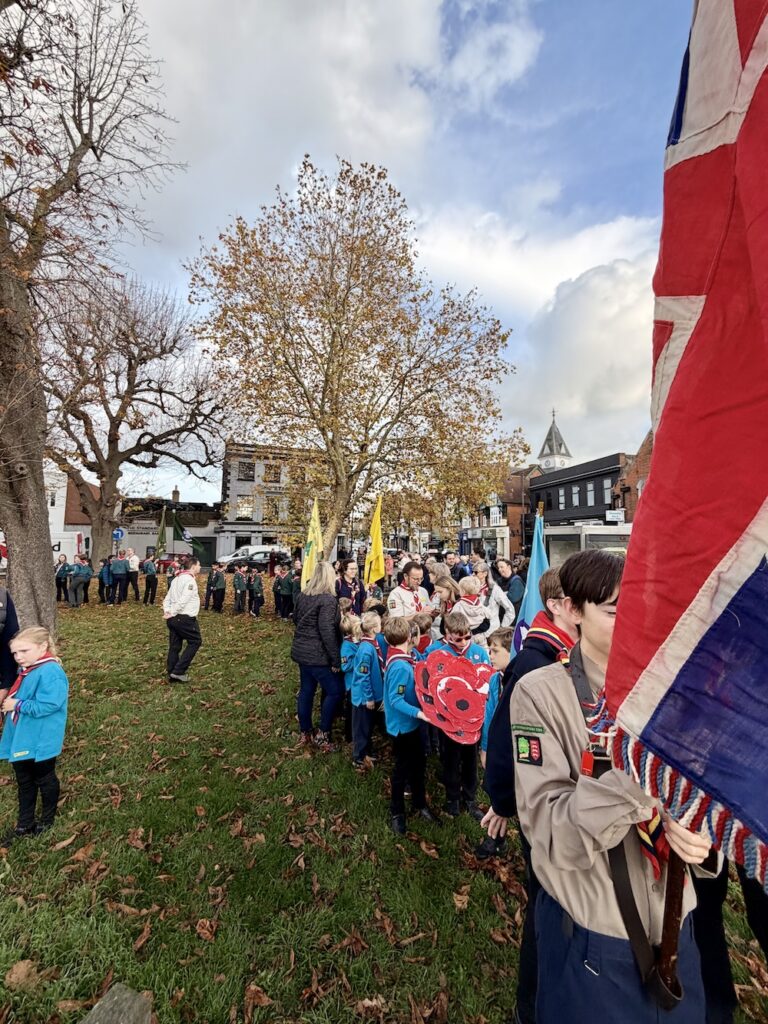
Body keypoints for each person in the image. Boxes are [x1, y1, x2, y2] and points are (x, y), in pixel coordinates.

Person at [509, 549, 714, 1024]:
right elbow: (551, 834)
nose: (634, 621)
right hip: (594, 936)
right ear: (574, 610)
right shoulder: (542, 694)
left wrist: (703, 837)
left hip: (677, 926)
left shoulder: (673, 693)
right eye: (614, 610)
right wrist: (640, 776)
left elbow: (702, 797)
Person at [481, 566, 579, 1021]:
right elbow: (505, 736)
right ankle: (532, 1004)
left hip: (576, 803)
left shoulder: (569, 655)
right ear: (559, 606)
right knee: (548, 906)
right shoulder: (535, 661)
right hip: (544, 806)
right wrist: (502, 801)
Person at [0, 626, 68, 844]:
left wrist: (17, 704)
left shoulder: (50, 671)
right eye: (15, 653)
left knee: (44, 777)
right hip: (23, 735)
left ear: (42, 647)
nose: (18, 657)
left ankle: (47, 820)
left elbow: (50, 704)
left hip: (41, 738)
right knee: (24, 779)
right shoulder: (28, 669)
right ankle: (25, 823)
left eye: (24, 651)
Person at [425, 610, 490, 819]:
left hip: (473, 719)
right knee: (450, 758)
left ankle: (470, 799)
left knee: (470, 759)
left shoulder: (479, 652)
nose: (463, 643)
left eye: (467, 637)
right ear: (447, 633)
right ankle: (452, 798)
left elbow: (487, 681)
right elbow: (429, 686)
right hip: (449, 721)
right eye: (457, 638)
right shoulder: (438, 653)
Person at [382, 616, 440, 835]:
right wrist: (420, 713)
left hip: (414, 725)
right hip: (403, 727)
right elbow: (396, 700)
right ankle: (397, 811)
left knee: (419, 765)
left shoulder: (408, 656)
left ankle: (420, 803)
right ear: (409, 637)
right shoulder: (399, 667)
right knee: (402, 770)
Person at [291, 561, 343, 752]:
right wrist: (335, 659)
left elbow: (295, 619)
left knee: (307, 691)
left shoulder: (304, 595)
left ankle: (305, 731)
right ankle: (323, 734)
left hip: (302, 651)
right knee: (335, 690)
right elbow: (327, 630)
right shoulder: (328, 600)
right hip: (318, 655)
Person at [476, 627, 514, 859]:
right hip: (496, 750)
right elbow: (489, 715)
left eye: (495, 651)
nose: (490, 655)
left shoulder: (520, 682)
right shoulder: (494, 679)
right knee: (496, 792)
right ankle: (495, 839)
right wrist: (485, 747)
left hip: (516, 751)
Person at [351, 611, 386, 769]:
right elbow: (363, 675)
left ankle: (367, 751)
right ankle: (359, 756)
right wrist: (369, 697)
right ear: (373, 628)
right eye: (379, 624)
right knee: (362, 727)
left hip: (374, 693)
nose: (381, 626)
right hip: (364, 698)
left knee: (368, 726)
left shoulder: (374, 643)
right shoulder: (366, 649)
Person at [162, 556, 203, 683]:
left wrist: (167, 611)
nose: (200, 567)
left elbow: (167, 598)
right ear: (193, 566)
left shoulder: (176, 579)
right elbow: (183, 600)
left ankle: (172, 670)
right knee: (195, 641)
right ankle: (178, 671)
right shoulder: (189, 581)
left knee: (175, 645)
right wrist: (171, 612)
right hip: (184, 618)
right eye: (199, 565)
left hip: (173, 618)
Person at [473, 560, 516, 632]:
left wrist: (502, 628)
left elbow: (510, 609)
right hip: (474, 633)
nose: (473, 574)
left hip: (491, 632)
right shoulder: (470, 588)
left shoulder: (495, 589)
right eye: (472, 572)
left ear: (485, 573)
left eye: (476, 572)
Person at [340, 612, 361, 744]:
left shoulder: (358, 641)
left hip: (359, 683)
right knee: (352, 711)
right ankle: (349, 735)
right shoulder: (347, 646)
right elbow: (345, 665)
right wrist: (360, 660)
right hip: (352, 684)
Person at [455, 575, 491, 646]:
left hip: (466, 637)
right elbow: (489, 615)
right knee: (483, 653)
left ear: (463, 591)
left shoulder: (459, 605)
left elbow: (453, 620)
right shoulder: (479, 604)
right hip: (480, 635)